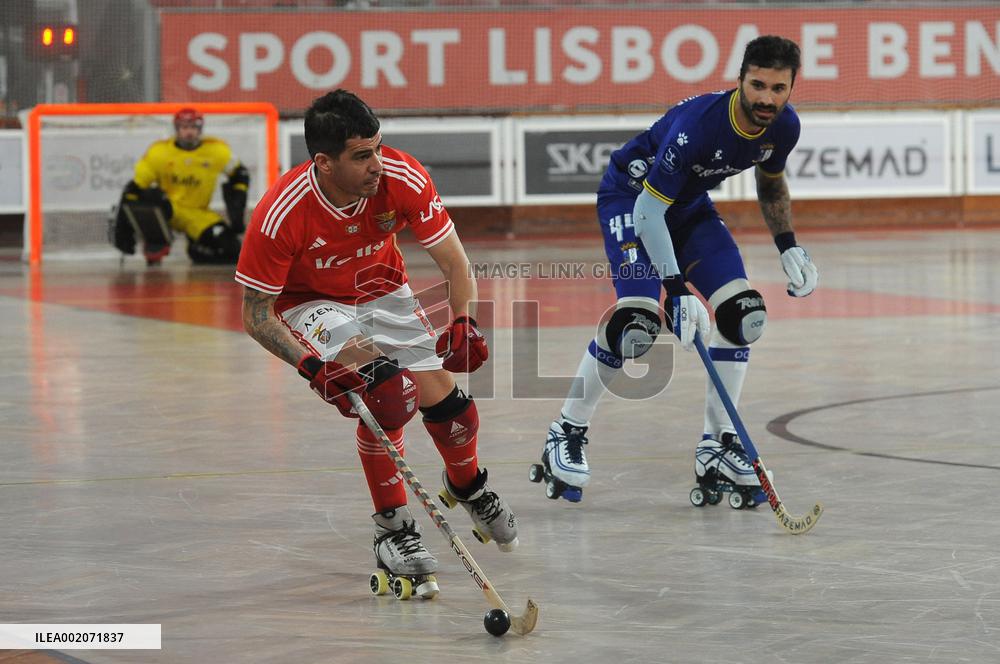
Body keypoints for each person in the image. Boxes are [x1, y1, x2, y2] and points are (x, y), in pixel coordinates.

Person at [235, 89, 518, 598]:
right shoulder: (281, 213)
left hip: (382, 289)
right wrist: (311, 366)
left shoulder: (401, 178)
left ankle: (468, 485)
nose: (377, 165)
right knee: (387, 393)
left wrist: (464, 321)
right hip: (310, 303)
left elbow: (456, 263)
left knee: (453, 409)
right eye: (362, 155)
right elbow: (256, 313)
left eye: (379, 148)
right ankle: (393, 530)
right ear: (324, 162)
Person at [537, 36, 818, 506]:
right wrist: (676, 290)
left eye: (778, 88)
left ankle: (718, 445)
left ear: (791, 87)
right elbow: (648, 212)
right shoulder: (699, 127)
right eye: (757, 85)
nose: (766, 99)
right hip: (633, 199)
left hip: (687, 208)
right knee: (636, 324)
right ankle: (565, 430)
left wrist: (788, 244)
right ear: (739, 80)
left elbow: (770, 183)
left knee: (743, 315)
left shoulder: (785, 126)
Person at [110, 107, 248, 265]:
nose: (189, 132)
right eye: (184, 127)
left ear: (200, 129)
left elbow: (240, 174)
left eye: (193, 127)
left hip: (198, 214)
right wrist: (123, 229)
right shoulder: (159, 152)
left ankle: (196, 248)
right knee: (148, 195)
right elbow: (134, 187)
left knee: (233, 250)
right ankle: (156, 239)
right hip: (169, 209)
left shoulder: (217, 151)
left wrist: (237, 215)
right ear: (176, 129)